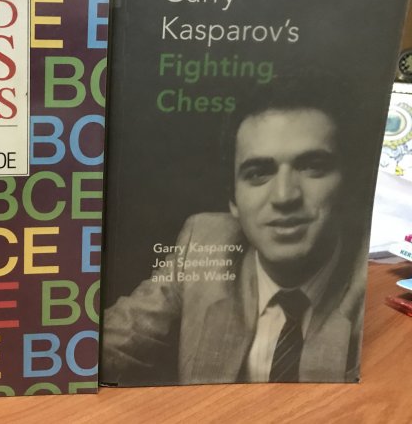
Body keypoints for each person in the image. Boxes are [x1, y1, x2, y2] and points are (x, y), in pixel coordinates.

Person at [101, 88, 367, 385]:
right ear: (233, 200)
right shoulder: (204, 241)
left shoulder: (369, 275)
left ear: (349, 185)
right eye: (258, 173)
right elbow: (107, 343)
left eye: (313, 167)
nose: (284, 196)